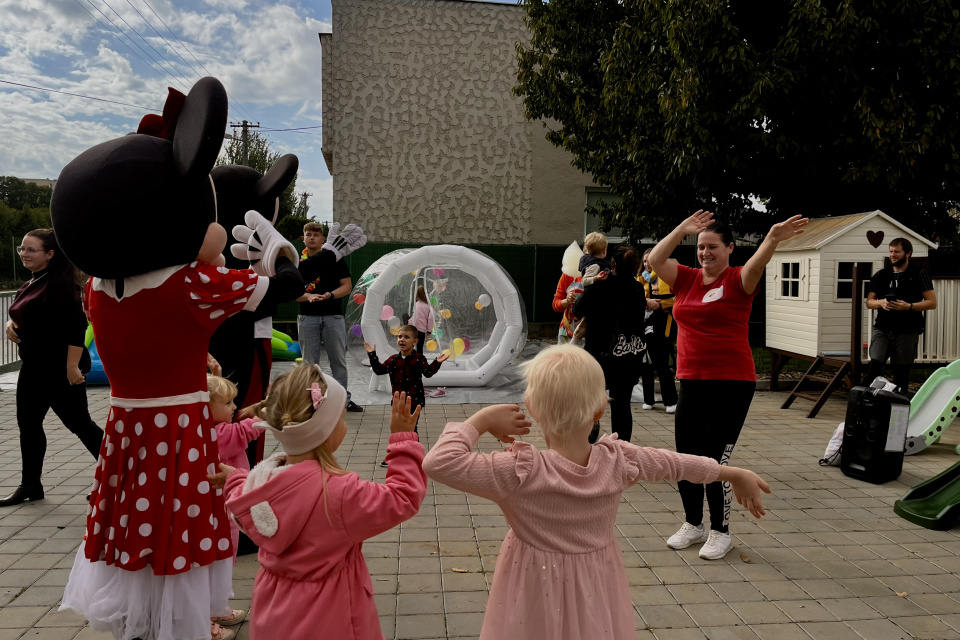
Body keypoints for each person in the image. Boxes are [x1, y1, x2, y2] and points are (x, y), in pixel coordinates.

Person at [422, 345, 770, 640]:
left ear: (531, 406)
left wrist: (480, 420)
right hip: (596, 581)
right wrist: (732, 472)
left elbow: (439, 462)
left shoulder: (516, 472)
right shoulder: (619, 461)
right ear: (601, 408)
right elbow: (676, 464)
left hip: (531, 585)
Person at [209, 365, 427, 640]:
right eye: (342, 419)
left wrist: (234, 478)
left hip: (274, 613)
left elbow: (248, 493)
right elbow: (403, 497)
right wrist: (403, 439)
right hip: (332, 617)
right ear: (326, 430)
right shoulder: (341, 493)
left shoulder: (259, 483)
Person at [649, 210, 807, 559]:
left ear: (730, 248)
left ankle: (722, 532)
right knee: (686, 458)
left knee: (714, 459)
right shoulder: (686, 279)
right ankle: (693, 524)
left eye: (713, 247)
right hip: (691, 380)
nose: (705, 252)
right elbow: (655, 258)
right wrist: (683, 229)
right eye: (701, 247)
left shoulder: (738, 280)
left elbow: (759, 262)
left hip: (732, 383)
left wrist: (773, 237)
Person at [1, 229, 104, 507]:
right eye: (22, 248)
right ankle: (30, 484)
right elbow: (22, 314)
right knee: (29, 426)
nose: (23, 253)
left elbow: (76, 328)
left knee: (81, 426)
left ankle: (119, 479)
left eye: (31, 249)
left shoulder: (61, 285)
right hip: (34, 367)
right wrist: (11, 325)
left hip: (60, 369)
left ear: (50, 255)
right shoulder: (32, 282)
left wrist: (72, 367)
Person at [573, 245, 648, 444]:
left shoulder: (600, 286)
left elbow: (578, 310)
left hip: (599, 354)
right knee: (622, 404)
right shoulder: (638, 288)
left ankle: (588, 443)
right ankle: (621, 450)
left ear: (612, 264)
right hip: (627, 354)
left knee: (590, 401)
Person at [298, 222, 363, 412]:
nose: (312, 237)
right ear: (303, 238)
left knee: (338, 360)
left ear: (323, 239)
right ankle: (311, 401)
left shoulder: (336, 258)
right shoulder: (298, 262)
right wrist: (308, 296)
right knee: (310, 363)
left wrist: (330, 295)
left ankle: (342, 400)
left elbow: (347, 286)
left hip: (333, 316)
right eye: (308, 234)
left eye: (316, 235)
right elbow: (290, 289)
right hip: (307, 316)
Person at [366, 324, 449, 466]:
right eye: (399, 336)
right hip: (398, 402)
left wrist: (437, 362)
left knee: (411, 429)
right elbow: (379, 370)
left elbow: (428, 373)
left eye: (406, 337)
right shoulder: (393, 359)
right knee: (396, 429)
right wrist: (372, 354)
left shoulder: (418, 358)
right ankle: (395, 455)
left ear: (415, 341)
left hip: (414, 401)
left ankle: (416, 456)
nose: (401, 340)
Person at [863, 237, 937, 393]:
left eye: (897, 251)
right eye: (890, 251)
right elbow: (869, 302)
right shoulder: (881, 275)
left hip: (907, 330)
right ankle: (867, 404)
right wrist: (882, 302)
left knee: (901, 374)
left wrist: (909, 306)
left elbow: (932, 302)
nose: (892, 255)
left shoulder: (919, 274)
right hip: (882, 328)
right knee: (874, 367)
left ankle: (898, 410)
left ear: (908, 253)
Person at [207, 375, 261, 566]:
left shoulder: (206, 431)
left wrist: (217, 372)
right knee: (230, 538)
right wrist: (264, 416)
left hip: (215, 500)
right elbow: (245, 431)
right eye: (228, 403)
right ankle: (224, 574)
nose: (234, 407)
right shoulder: (220, 434)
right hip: (226, 500)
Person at [638, 249, 678, 413]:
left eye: (651, 260)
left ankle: (670, 400)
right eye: (645, 261)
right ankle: (648, 399)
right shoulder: (640, 280)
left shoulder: (667, 277)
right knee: (646, 362)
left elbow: (677, 298)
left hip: (663, 323)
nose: (648, 264)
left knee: (661, 361)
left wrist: (659, 304)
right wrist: (645, 302)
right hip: (645, 323)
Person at [571, 232, 611, 345]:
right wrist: (595, 278)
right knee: (584, 324)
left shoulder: (599, 263)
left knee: (586, 324)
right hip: (594, 302)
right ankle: (573, 343)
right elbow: (585, 280)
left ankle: (575, 342)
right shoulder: (595, 265)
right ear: (604, 250)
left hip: (595, 301)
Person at [412, 285, 433, 353]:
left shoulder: (416, 304)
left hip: (413, 327)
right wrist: (429, 331)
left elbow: (414, 315)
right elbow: (430, 318)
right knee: (419, 347)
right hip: (421, 329)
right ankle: (419, 361)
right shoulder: (429, 306)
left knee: (412, 346)